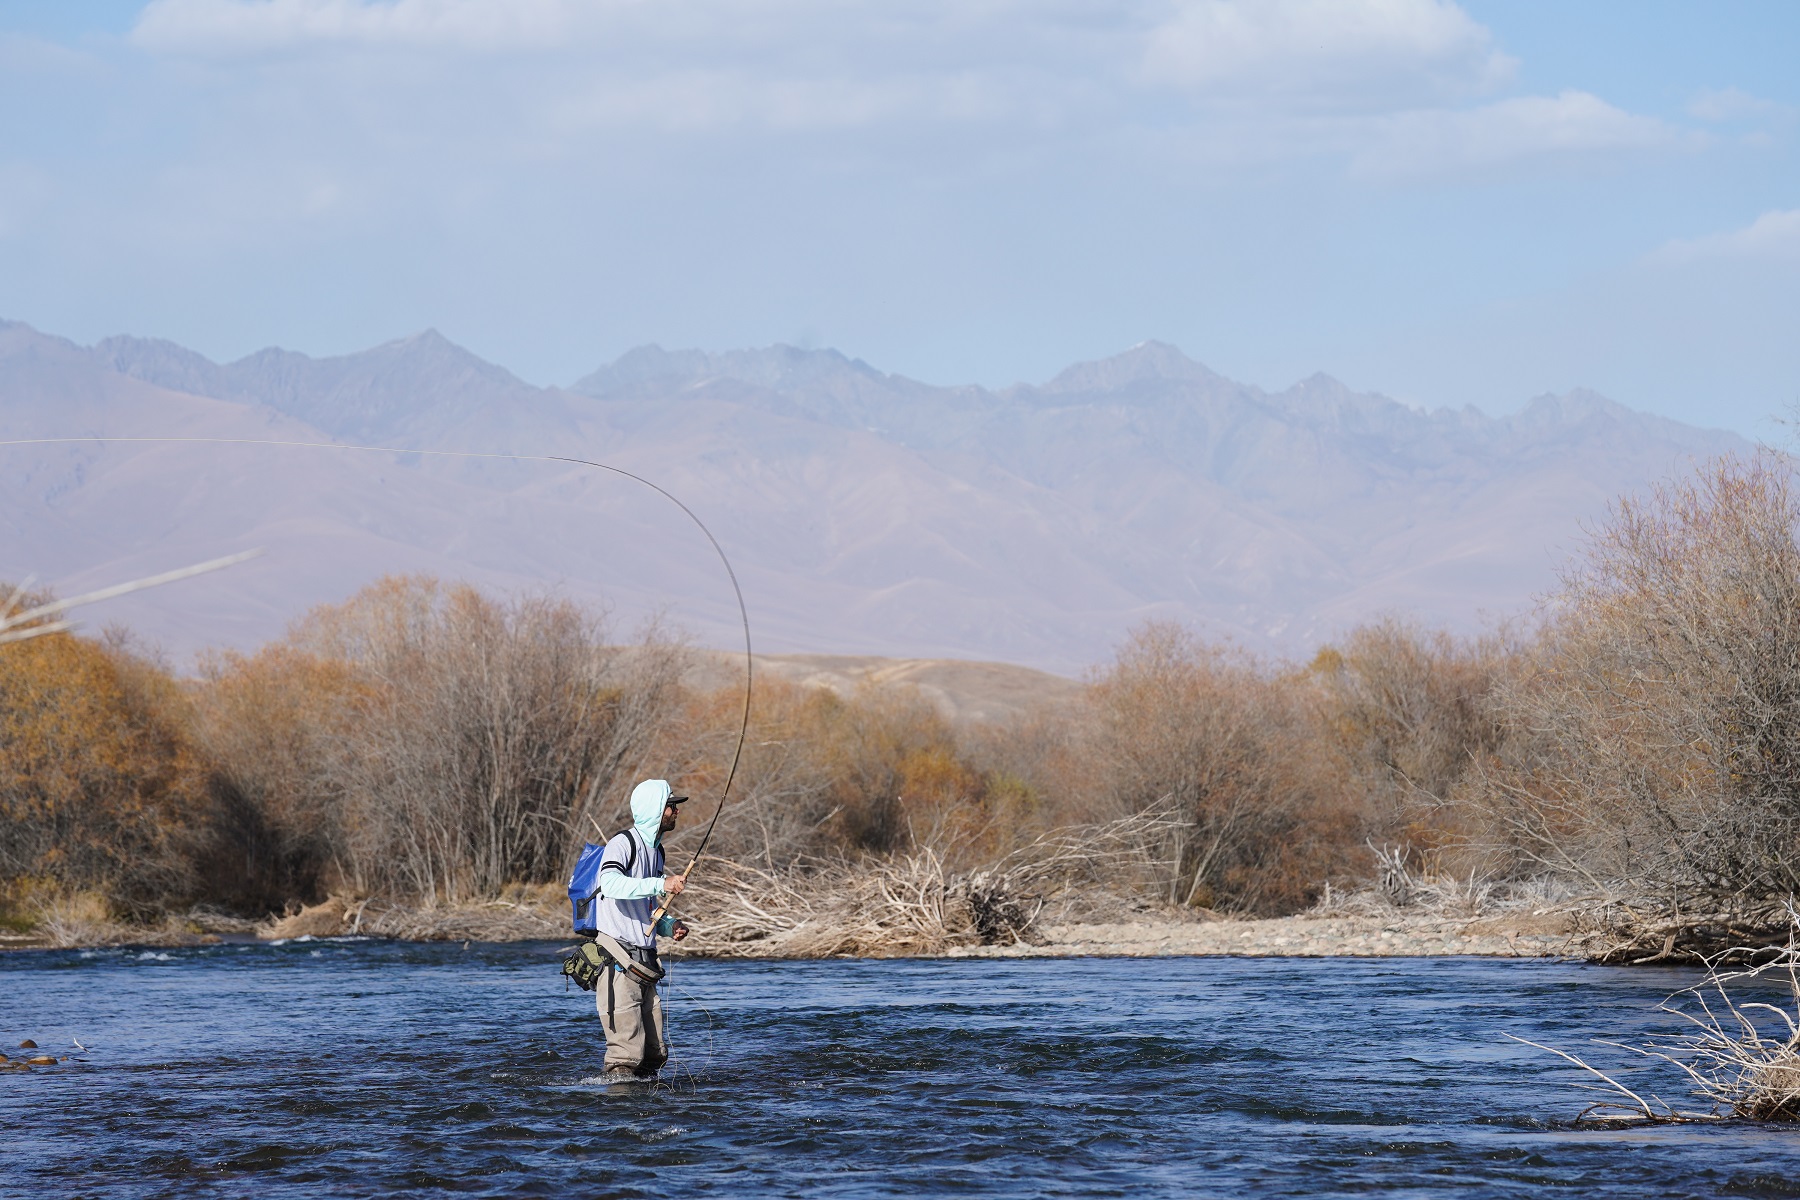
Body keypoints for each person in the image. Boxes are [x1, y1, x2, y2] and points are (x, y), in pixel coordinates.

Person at [593, 778, 691, 1082]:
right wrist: (661, 883)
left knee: (654, 1054)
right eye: (671, 806)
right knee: (624, 1058)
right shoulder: (622, 844)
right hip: (618, 963)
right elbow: (609, 884)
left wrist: (668, 924)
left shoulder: (657, 852)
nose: (676, 812)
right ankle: (621, 1120)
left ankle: (650, 1114)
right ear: (655, 810)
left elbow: (645, 905)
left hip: (645, 963)